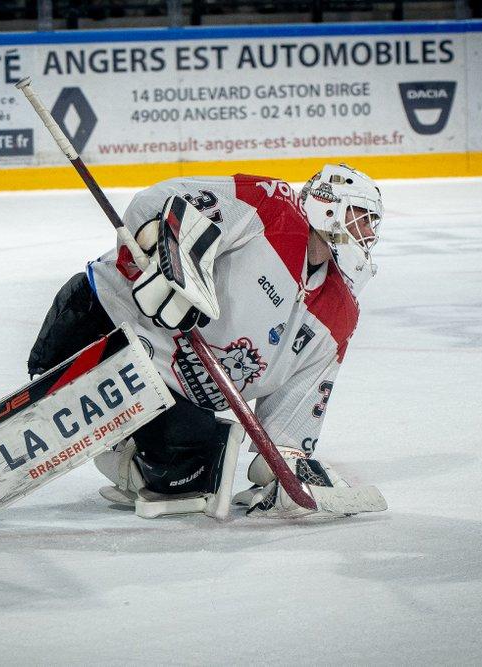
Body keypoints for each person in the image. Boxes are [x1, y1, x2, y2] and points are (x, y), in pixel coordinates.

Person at [27, 164, 383, 518]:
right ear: (328, 205)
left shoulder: (338, 314)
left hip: (167, 390)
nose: (369, 233)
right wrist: (168, 262)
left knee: (191, 477)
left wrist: (286, 465)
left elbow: (291, 420)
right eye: (362, 217)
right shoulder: (271, 207)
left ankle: (126, 448)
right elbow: (157, 205)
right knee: (47, 402)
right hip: (105, 321)